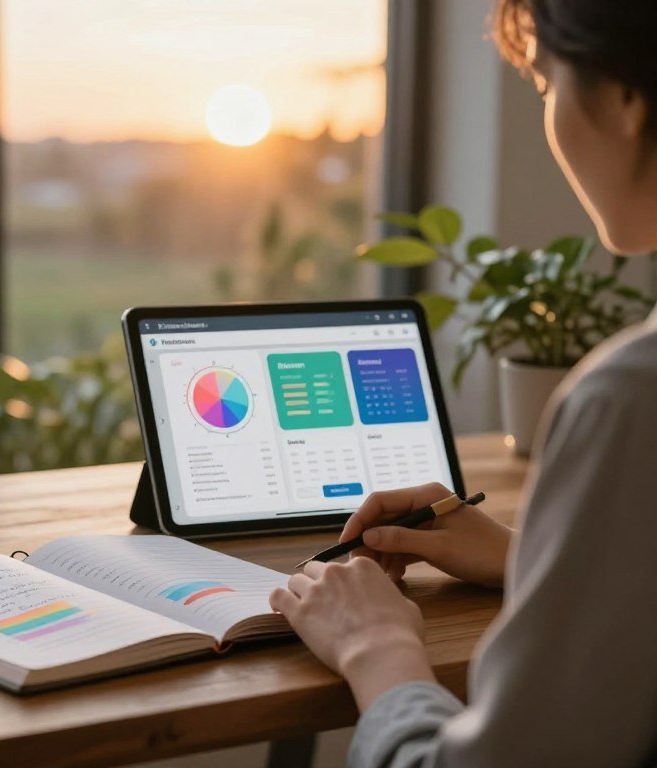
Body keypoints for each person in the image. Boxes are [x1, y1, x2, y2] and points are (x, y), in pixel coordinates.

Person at [268, 1, 657, 766]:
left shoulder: (632, 400)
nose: (550, 115)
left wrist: (376, 644)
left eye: (545, 85)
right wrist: (533, 562)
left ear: (624, 101)